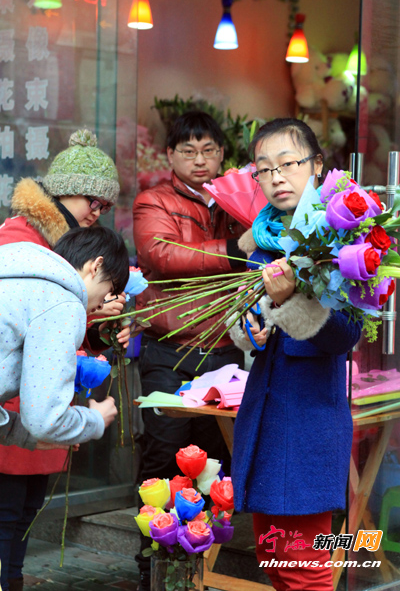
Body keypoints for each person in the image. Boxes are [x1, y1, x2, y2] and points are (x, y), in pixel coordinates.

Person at [228, 118, 361, 591]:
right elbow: (247, 319)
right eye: (264, 169)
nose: (276, 177)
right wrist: (249, 329)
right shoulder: (259, 243)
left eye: (288, 164)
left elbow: (346, 334)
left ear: (317, 165)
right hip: (265, 415)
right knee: (273, 556)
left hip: (307, 422)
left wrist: (288, 301)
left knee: (302, 568)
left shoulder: (341, 239)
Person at [0, 129, 130, 591]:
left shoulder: (63, 246)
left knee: (22, 514)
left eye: (104, 205)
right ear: (63, 191)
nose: (97, 211)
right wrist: (90, 420)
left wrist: (95, 325)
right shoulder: (22, 237)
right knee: (9, 514)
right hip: (24, 402)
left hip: (26, 405)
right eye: (93, 200)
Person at [133, 111, 247, 589]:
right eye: (188, 151)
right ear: (170, 155)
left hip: (224, 351)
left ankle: (199, 567)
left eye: (208, 151)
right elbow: (162, 255)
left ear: (222, 154)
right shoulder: (153, 200)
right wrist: (236, 247)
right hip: (170, 350)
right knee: (165, 453)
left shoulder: (239, 203)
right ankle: (154, 563)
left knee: (215, 461)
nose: (199, 161)